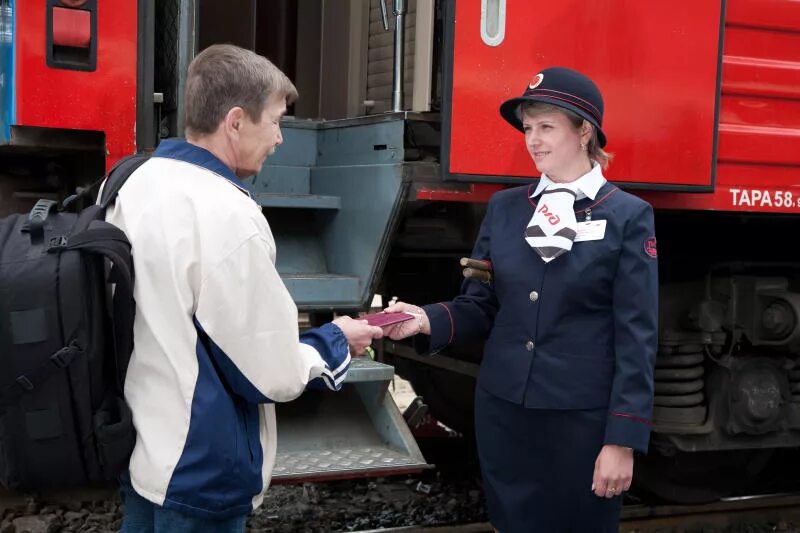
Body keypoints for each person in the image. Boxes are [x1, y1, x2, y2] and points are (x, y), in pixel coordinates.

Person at [104, 44, 384, 532]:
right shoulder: (229, 215)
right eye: (275, 120)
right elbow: (269, 374)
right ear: (235, 122)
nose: (279, 137)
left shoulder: (133, 180)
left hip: (143, 454)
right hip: (199, 473)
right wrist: (334, 340)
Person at [384, 66, 658, 532]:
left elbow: (637, 337)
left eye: (547, 126)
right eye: (528, 128)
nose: (533, 140)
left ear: (584, 131)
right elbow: (481, 305)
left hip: (581, 426)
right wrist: (425, 319)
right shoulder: (507, 208)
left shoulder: (628, 217)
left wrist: (622, 439)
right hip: (505, 416)